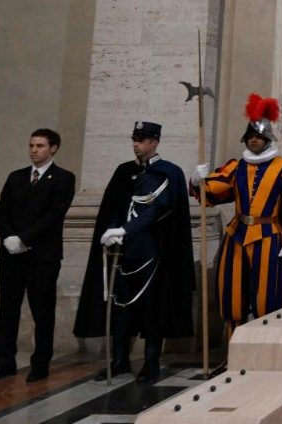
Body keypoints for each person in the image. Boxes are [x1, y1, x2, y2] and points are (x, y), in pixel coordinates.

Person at [72, 121, 195, 382]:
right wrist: (111, 231)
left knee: (152, 307)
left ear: (155, 142)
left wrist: (126, 229)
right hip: (123, 253)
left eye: (142, 140)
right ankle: (120, 359)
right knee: (121, 306)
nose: (136, 144)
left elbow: (158, 208)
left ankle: (151, 361)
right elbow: (113, 207)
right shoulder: (124, 172)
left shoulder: (168, 173)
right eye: (135, 139)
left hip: (152, 251)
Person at [192, 94, 282, 333]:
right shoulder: (236, 167)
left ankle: (266, 350)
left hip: (270, 237)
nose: (254, 141)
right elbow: (213, 192)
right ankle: (233, 352)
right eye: (250, 137)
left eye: (259, 136)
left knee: (267, 298)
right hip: (236, 236)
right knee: (233, 297)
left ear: (268, 139)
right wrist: (199, 180)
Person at [0, 129, 76, 384]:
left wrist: (24, 239)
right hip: (11, 254)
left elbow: (55, 214)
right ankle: (4, 362)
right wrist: (8, 237)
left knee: (42, 310)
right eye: (31, 145)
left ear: (53, 148)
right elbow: (2, 211)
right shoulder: (16, 177)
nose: (34, 150)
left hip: (43, 256)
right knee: (8, 310)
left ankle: (40, 362)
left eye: (40, 145)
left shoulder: (63, 178)